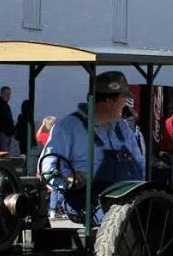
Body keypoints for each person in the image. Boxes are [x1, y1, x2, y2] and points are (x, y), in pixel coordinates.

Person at [39, 72, 146, 224]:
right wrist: (68, 178)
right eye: (123, 99)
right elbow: (48, 168)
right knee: (128, 222)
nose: (126, 104)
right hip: (89, 202)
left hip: (127, 200)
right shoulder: (69, 128)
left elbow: (140, 164)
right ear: (108, 100)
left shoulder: (122, 128)